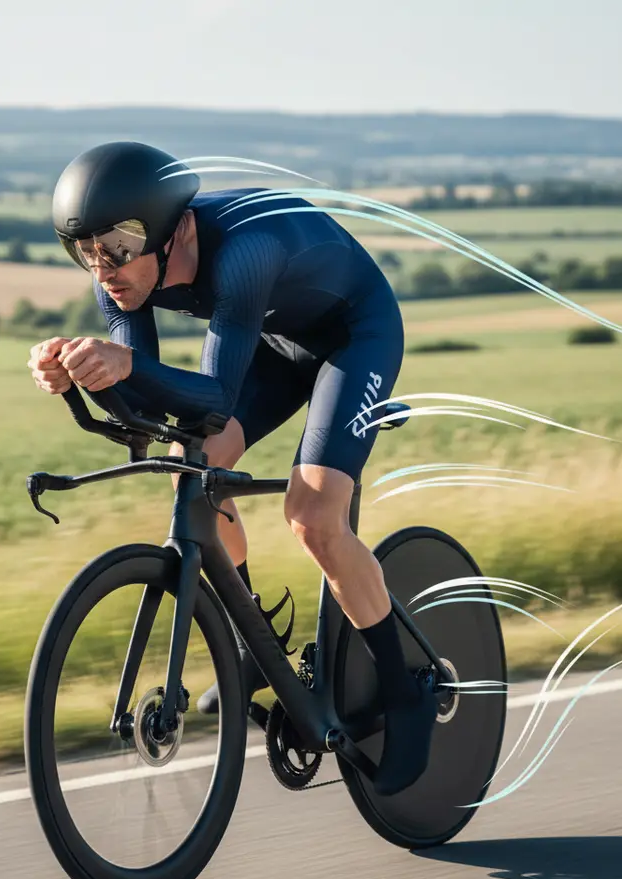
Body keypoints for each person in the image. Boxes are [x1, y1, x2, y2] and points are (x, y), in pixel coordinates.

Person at [28, 141, 437, 796]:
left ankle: (406, 691)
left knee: (312, 519)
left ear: (174, 229)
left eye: (122, 244)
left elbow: (215, 399)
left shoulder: (242, 253)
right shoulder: (122, 276)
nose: (104, 267)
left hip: (356, 337)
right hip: (276, 344)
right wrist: (81, 376)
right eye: (87, 251)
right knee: (185, 464)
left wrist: (126, 365)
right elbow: (148, 415)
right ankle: (254, 646)